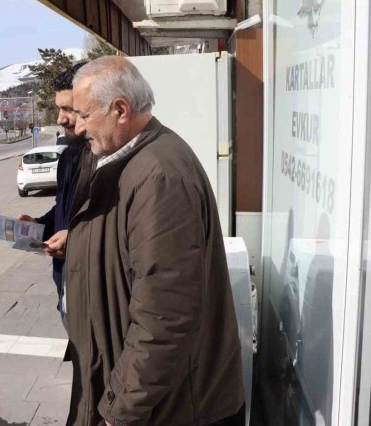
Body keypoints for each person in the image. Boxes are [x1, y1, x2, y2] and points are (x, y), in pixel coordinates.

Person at [65, 56, 244, 425]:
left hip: (167, 408)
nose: (78, 126)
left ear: (119, 109)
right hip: (150, 397)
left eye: (84, 114)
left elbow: (164, 316)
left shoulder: (158, 176)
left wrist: (120, 409)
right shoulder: (131, 159)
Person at [18, 60, 95, 331]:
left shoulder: (116, 160)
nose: (60, 119)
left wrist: (75, 240)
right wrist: (39, 225)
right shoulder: (69, 157)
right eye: (59, 108)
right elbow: (64, 211)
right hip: (66, 285)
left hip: (97, 294)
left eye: (69, 109)